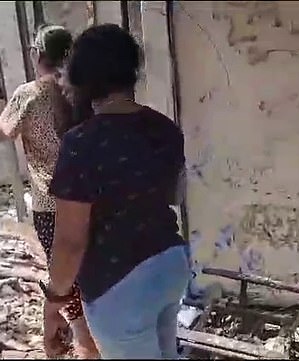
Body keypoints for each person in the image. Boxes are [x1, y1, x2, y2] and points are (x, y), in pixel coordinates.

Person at [42, 24, 191, 359]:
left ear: (82, 78)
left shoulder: (80, 143)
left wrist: (53, 303)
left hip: (121, 284)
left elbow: (70, 242)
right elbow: (174, 195)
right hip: (169, 265)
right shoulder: (164, 128)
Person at [0, 24, 99, 359]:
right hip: (91, 198)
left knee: (65, 274)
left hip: (50, 203)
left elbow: (2, 133)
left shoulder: (29, 94)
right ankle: (93, 334)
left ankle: (84, 343)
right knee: (90, 268)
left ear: (36, 54)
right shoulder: (81, 92)